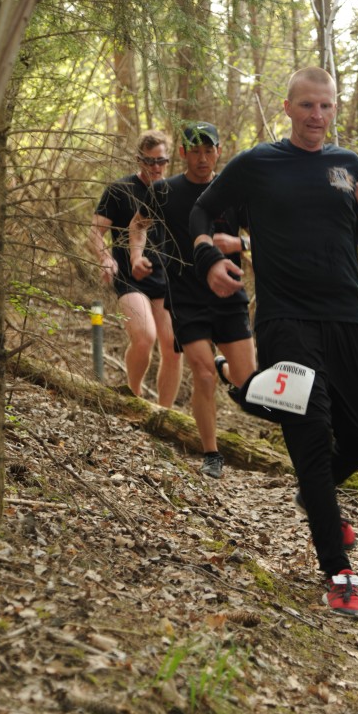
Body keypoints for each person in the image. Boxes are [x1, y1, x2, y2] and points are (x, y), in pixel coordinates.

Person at [189, 67, 358, 617]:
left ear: (333, 108)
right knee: (308, 437)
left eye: (324, 107)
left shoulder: (346, 166)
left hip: (349, 319)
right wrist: (209, 259)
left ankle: (268, 419)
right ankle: (340, 575)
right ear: (287, 107)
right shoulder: (258, 164)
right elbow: (202, 209)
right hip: (287, 321)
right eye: (306, 106)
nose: (316, 116)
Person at [129, 121, 255, 479]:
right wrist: (136, 256)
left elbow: (267, 237)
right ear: (182, 153)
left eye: (208, 150)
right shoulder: (165, 191)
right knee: (201, 375)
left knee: (247, 381)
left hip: (230, 293)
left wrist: (240, 244)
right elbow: (138, 225)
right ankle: (211, 453)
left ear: (218, 151)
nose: (202, 158)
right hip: (185, 295)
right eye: (194, 151)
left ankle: (223, 367)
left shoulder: (233, 192)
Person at [90, 129, 182, 407]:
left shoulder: (174, 191)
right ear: (139, 160)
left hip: (166, 280)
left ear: (168, 161)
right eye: (150, 161)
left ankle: (165, 416)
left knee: (174, 348)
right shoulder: (120, 190)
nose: (156, 167)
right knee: (145, 337)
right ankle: (134, 396)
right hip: (131, 278)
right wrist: (106, 258)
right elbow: (94, 234)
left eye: (161, 161)